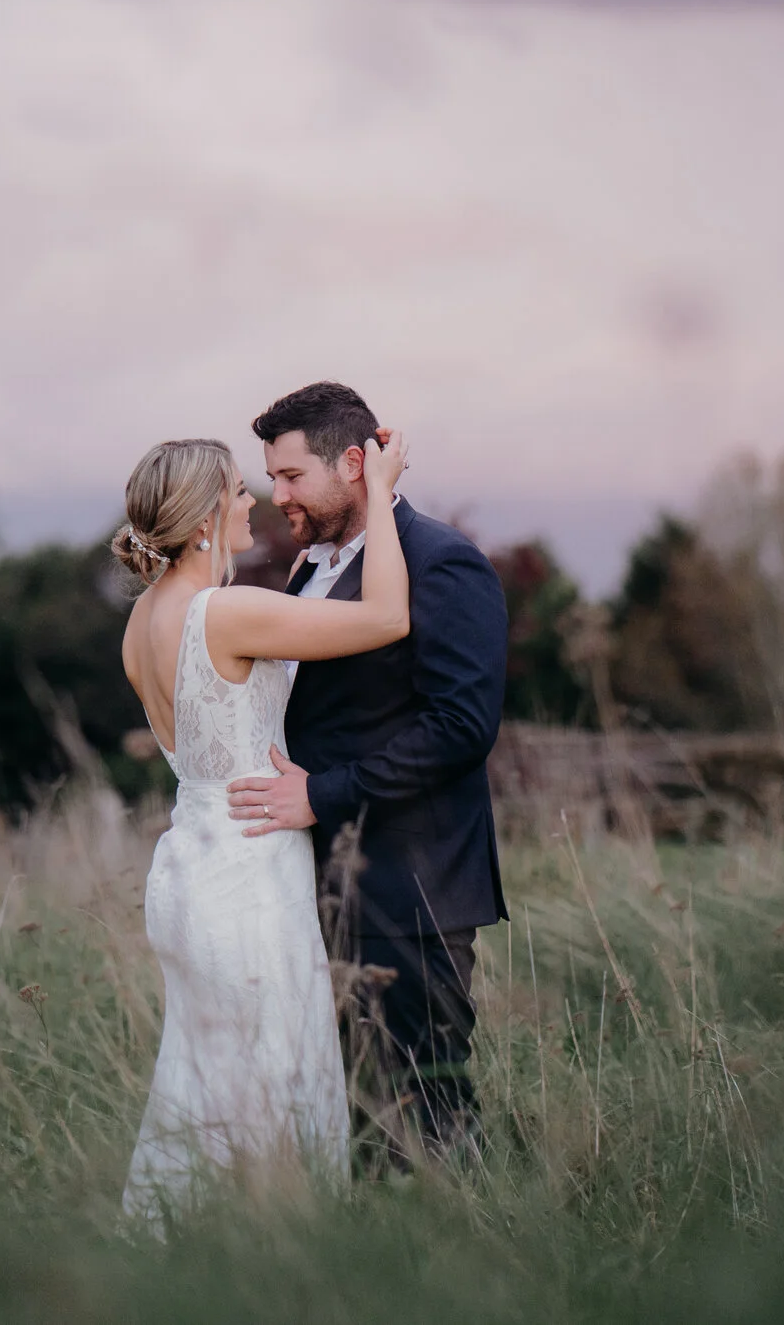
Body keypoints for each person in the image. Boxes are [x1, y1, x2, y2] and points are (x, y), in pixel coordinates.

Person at [114, 426, 414, 1219]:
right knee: (276, 1076)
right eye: (241, 491)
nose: (256, 502)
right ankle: (277, 1253)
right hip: (248, 868)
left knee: (203, 1076)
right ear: (209, 513)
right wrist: (379, 491)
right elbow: (385, 616)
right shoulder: (225, 612)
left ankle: (184, 1246)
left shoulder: (143, 617)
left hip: (191, 865)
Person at [227, 381, 510, 1168]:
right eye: (271, 476)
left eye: (290, 476)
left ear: (354, 463)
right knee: (355, 1119)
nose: (274, 493)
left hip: (407, 890)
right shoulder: (310, 569)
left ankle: (487, 1260)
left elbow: (460, 728)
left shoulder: (442, 562)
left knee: (427, 1110)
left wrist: (320, 794)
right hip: (317, 886)